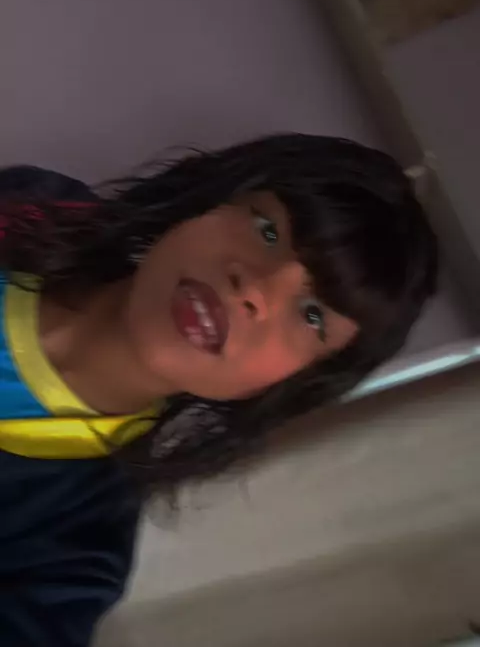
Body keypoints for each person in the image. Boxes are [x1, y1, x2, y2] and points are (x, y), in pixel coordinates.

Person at [0, 134, 437, 646]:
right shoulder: (34, 206)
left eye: (311, 315)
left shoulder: (69, 550)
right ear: (209, 199)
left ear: (292, 384)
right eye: (266, 230)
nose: (254, 290)